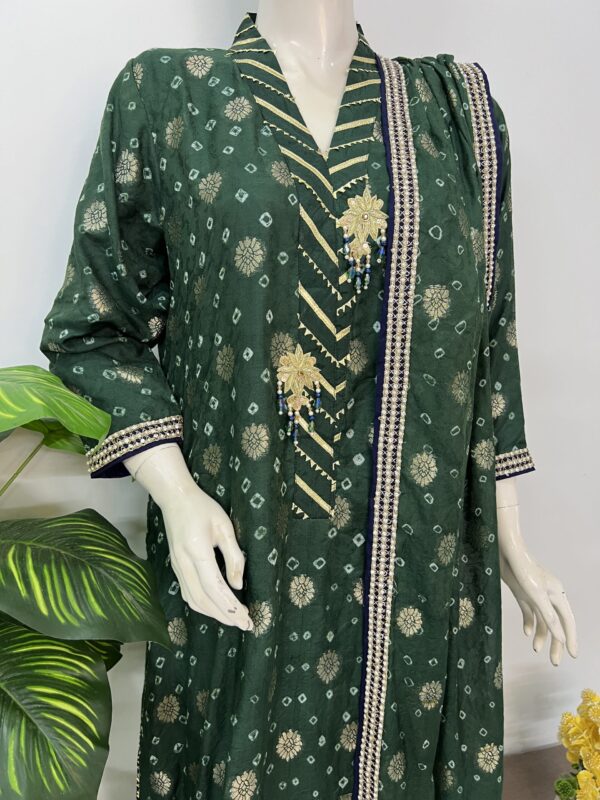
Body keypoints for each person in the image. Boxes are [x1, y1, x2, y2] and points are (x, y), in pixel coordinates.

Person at [39, 6, 576, 798]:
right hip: (244, 553)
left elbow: (489, 344)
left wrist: (512, 540)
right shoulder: (167, 96)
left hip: (416, 567)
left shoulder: (453, 114)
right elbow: (94, 329)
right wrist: (177, 495)